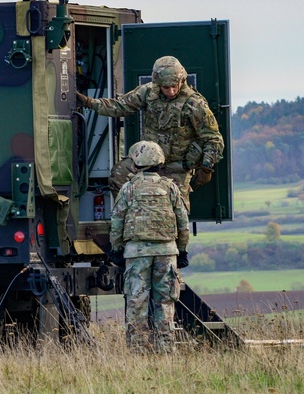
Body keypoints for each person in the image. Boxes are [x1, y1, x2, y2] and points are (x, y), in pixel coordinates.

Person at [76, 55, 224, 212]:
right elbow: (120, 106)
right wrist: (88, 102)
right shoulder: (148, 92)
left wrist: (206, 168)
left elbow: (213, 139)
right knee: (118, 175)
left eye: (174, 86)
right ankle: (132, 217)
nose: (171, 91)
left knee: (177, 211)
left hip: (177, 167)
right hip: (147, 163)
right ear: (157, 83)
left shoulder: (194, 104)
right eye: (166, 87)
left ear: (182, 80)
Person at [109, 140, 190, 353]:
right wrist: (182, 251)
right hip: (167, 252)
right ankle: (166, 349)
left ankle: (138, 351)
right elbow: (182, 222)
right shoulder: (170, 187)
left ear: (135, 163)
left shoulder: (129, 188)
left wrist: (116, 249)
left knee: (137, 303)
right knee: (165, 303)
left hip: (137, 254)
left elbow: (117, 221)